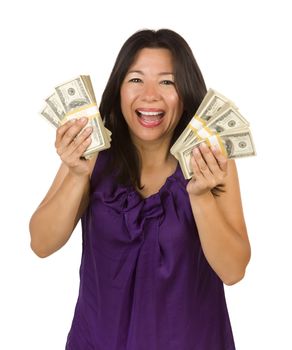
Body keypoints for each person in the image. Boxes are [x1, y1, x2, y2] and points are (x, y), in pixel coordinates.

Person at [29, 29, 251, 349]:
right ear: (119, 89)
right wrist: (77, 176)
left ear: (185, 92)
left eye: (167, 81)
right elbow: (41, 243)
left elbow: (233, 271)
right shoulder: (90, 155)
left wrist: (200, 196)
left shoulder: (211, 161)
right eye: (136, 79)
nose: (150, 95)